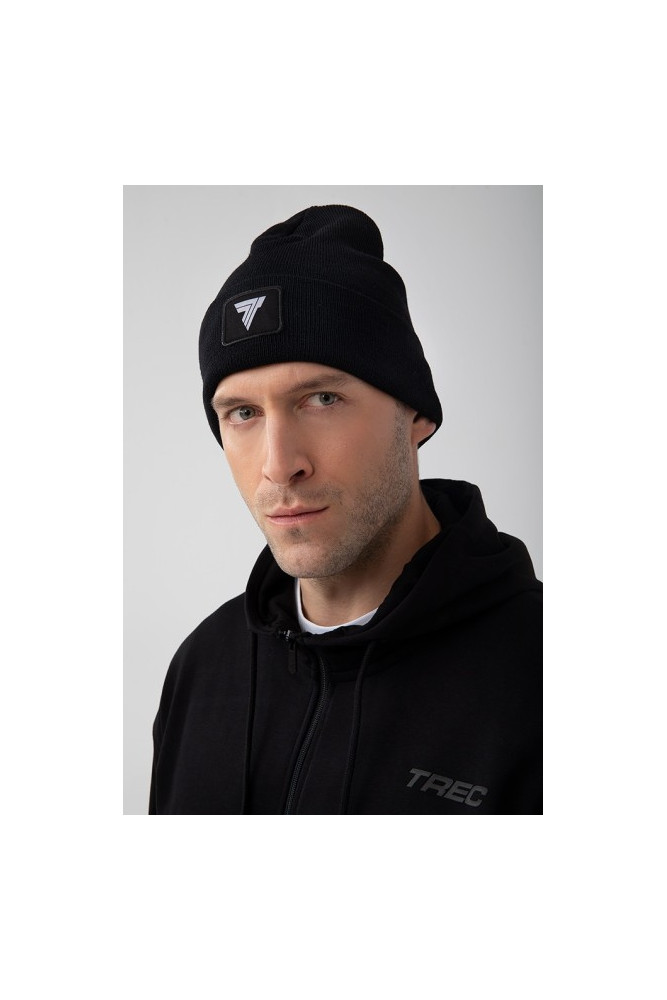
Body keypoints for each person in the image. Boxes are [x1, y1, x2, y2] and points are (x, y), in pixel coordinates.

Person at [149, 204, 542, 815]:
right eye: (243, 413)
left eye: (322, 399)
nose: (280, 465)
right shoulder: (203, 668)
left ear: (416, 413)